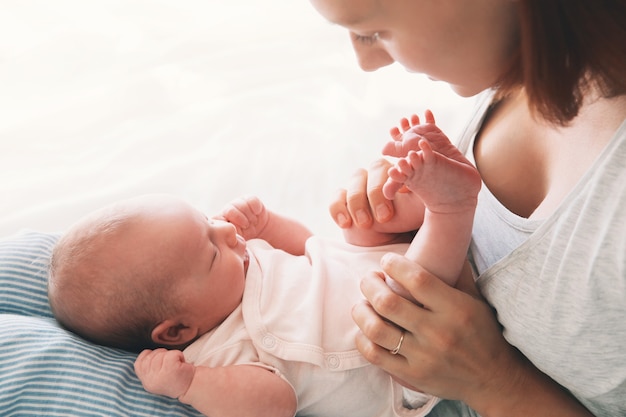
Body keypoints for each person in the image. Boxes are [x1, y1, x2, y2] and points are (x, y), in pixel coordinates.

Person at [309, 0, 626, 416]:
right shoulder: (531, 64)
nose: (366, 61)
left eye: (373, 31)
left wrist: (496, 382)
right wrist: (419, 224)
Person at [48, 114, 480, 417]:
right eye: (212, 250)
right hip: (402, 362)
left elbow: (306, 247)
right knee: (405, 297)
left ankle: (412, 183)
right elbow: (274, 404)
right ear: (177, 331)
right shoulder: (216, 354)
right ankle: (448, 209)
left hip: (359, 267)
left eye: (208, 222)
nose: (228, 233)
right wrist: (189, 385)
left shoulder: (240, 263)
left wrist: (269, 225)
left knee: (360, 224)